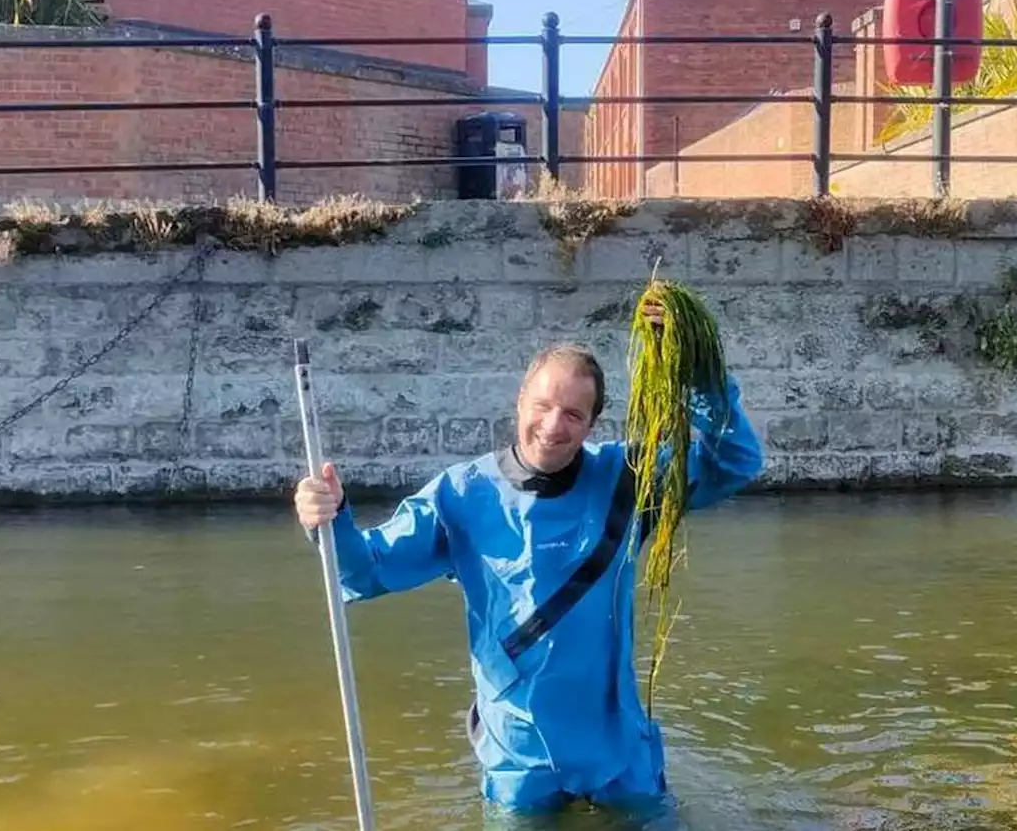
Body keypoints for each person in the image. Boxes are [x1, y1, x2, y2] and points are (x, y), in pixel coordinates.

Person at [293, 305, 764, 818]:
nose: (552, 426)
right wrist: (331, 516)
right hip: (518, 748)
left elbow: (734, 460)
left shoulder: (630, 479)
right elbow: (364, 572)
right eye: (542, 405)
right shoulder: (460, 495)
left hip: (617, 742)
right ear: (519, 402)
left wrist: (697, 374)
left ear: (592, 424)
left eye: (573, 415)